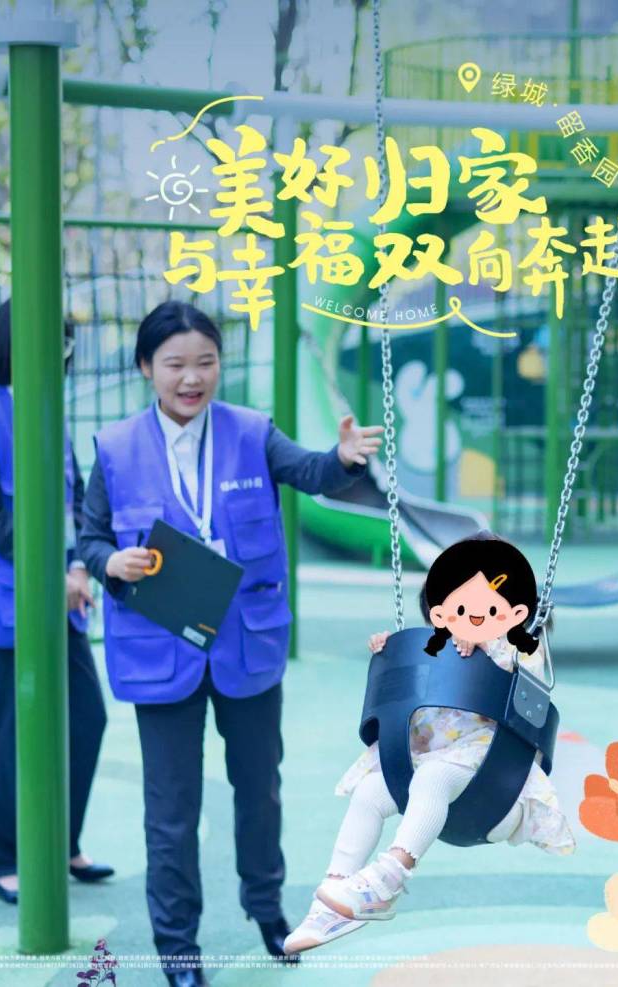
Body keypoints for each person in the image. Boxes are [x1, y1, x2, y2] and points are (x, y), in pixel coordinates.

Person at [78, 299, 384, 987]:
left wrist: (342, 458)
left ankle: (267, 911)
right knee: (171, 811)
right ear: (146, 367)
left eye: (206, 362)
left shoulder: (251, 431)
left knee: (260, 790)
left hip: (246, 645)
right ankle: (178, 948)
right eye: (175, 364)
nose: (192, 378)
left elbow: (311, 471)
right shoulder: (115, 447)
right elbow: (91, 535)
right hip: (161, 649)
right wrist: (109, 562)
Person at [284, 532, 576, 954]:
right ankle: (334, 897)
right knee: (370, 791)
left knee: (432, 777)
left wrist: (487, 645)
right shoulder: (444, 645)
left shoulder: (521, 648)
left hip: (498, 787)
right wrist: (393, 651)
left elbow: (521, 668)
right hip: (437, 771)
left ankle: (388, 879)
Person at [0, 299, 113, 906]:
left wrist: (75, 566)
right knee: (8, 731)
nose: (61, 353)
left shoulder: (51, 412)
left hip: (58, 595)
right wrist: (55, 566)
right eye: (51, 340)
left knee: (87, 715)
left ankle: (59, 841)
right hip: (5, 601)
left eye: (66, 343)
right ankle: (0, 861)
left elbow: (73, 500)